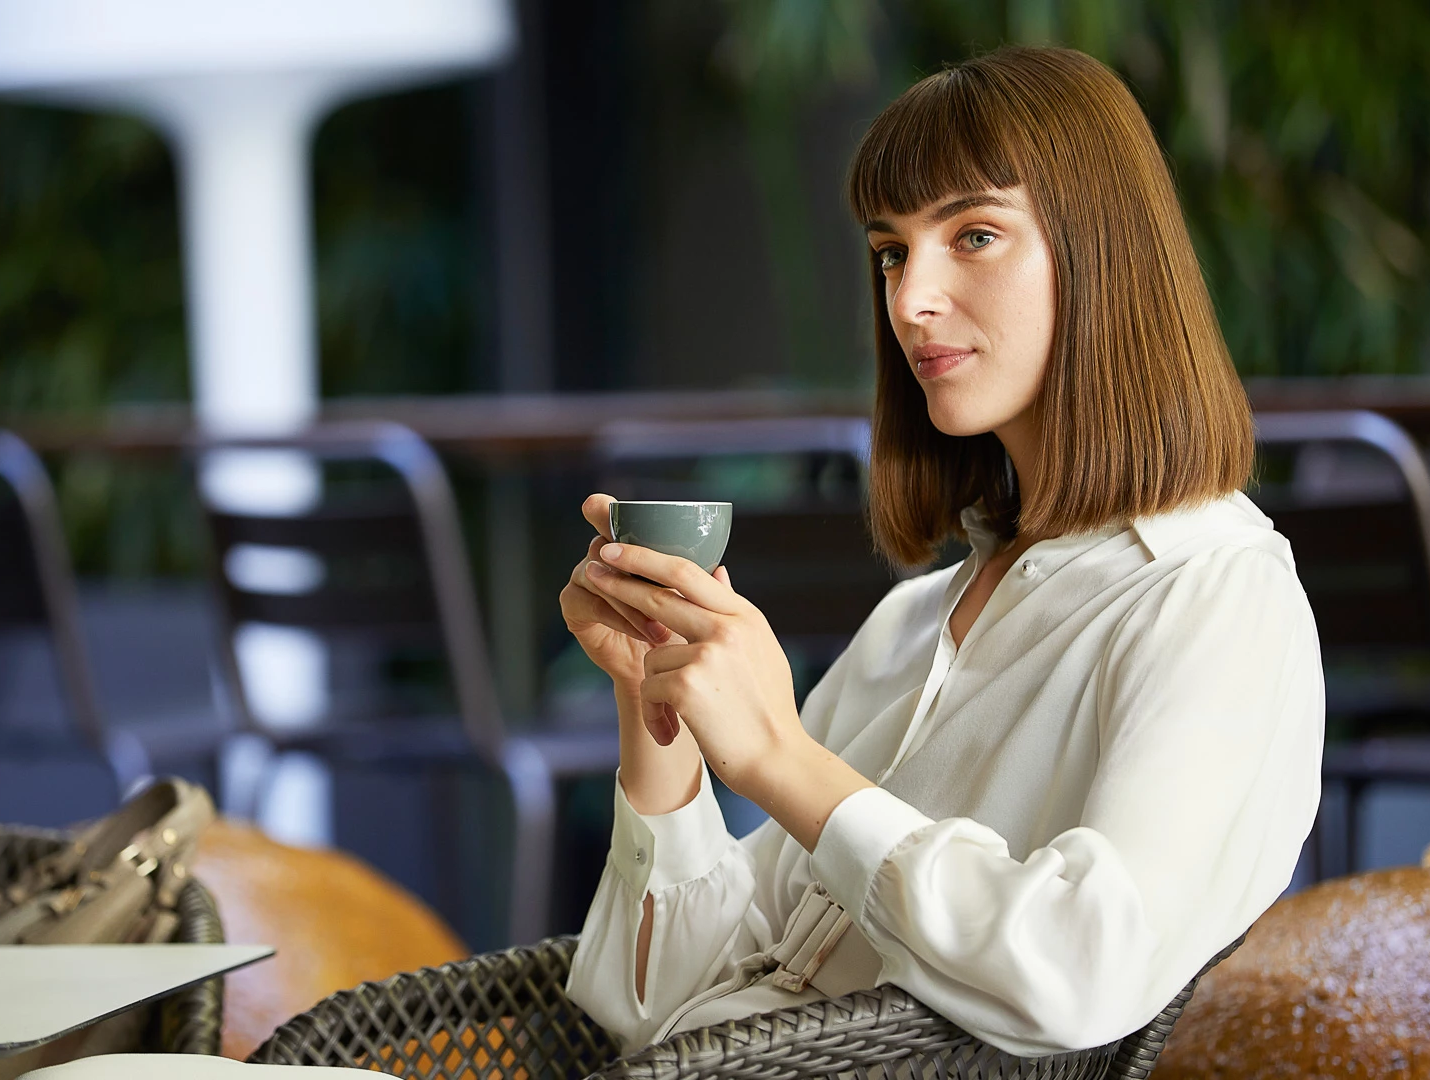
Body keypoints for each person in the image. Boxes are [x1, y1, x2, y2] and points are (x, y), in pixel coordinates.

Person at [559, 45, 1323, 1057]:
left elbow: (1083, 967)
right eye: (891, 251)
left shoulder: (1214, 596)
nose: (911, 300)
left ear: (1106, 255)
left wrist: (781, 758)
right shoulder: (913, 622)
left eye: (972, 234)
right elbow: (648, 1016)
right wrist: (656, 712)